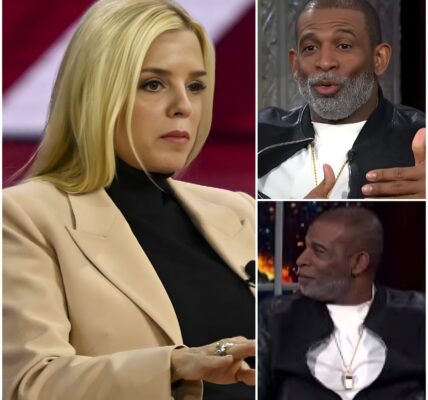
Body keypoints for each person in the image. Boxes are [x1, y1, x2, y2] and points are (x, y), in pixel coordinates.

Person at [3, 1, 255, 399]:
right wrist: (173, 367)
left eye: (195, 86)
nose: (183, 106)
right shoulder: (24, 216)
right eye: (153, 84)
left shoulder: (243, 211)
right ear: (96, 93)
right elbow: (29, 384)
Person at [258, 0, 426, 199]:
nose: (325, 62)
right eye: (310, 48)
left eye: (344, 46)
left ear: (379, 59)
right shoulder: (261, 131)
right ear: (295, 64)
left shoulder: (419, 135)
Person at [258, 206, 425, 399]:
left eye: (319, 251)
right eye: (306, 248)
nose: (301, 260)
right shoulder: (277, 318)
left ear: (358, 263)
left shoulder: (418, 316)